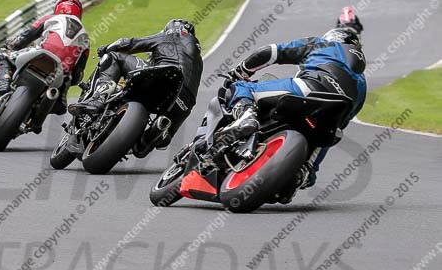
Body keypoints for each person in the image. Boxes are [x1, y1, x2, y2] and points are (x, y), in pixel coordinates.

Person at [210, 25, 366, 195]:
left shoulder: (323, 44)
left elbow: (270, 52)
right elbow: (339, 127)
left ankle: (246, 116)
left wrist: (241, 71)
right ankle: (305, 172)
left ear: (333, 37)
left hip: (308, 88)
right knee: (332, 131)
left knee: (241, 87)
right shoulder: (362, 82)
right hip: (334, 113)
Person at [71, 19, 203, 150]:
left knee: (114, 56)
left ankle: (98, 99)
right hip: (185, 102)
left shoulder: (172, 35)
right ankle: (156, 132)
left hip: (163, 76)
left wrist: (105, 49)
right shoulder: (198, 60)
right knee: (148, 146)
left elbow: (129, 44)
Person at [0, 0, 89, 116]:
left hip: (41, 55)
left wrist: (10, 44)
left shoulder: (51, 18)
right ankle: (39, 115)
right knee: (60, 106)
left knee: (2, 55)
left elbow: (22, 38)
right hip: (61, 74)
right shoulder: (86, 39)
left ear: (57, 9)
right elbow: (78, 75)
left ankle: (3, 84)